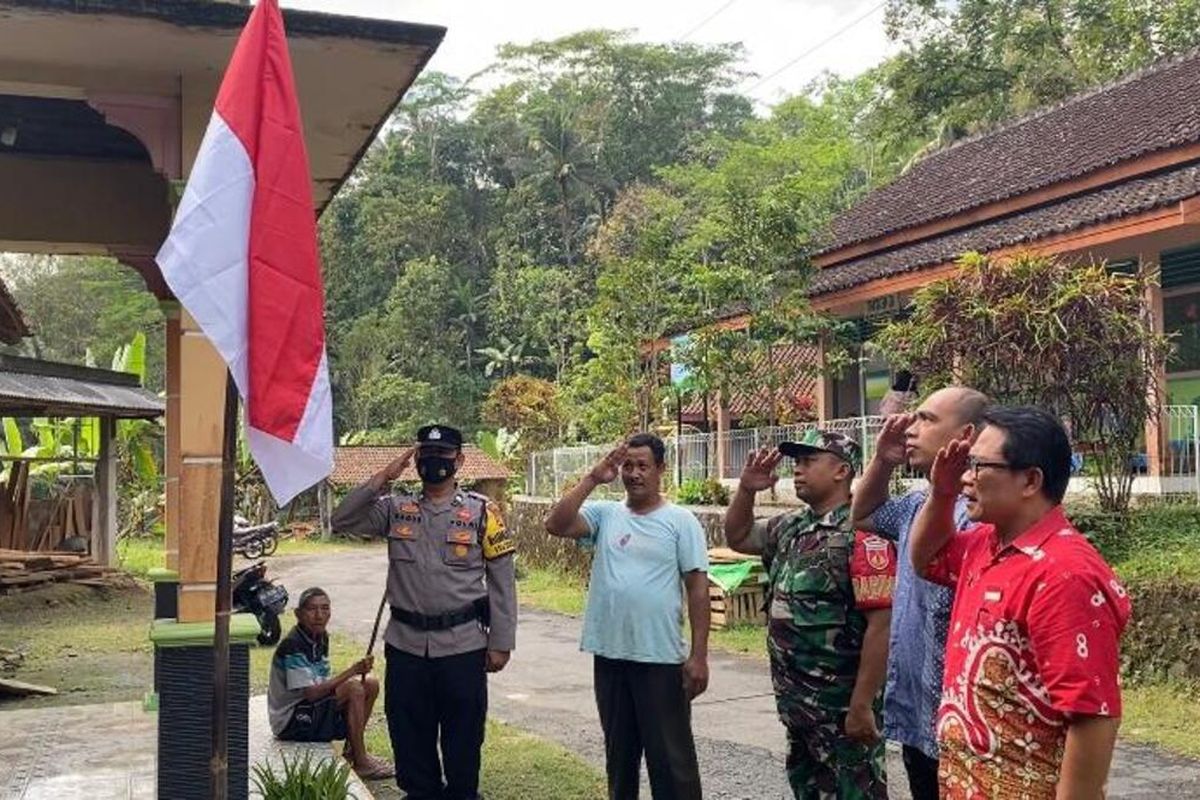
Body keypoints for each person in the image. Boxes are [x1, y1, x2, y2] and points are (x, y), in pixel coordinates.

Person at [910, 406, 1131, 798]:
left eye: (978, 465)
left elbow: (1092, 715)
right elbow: (926, 559)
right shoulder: (986, 543)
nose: (965, 477)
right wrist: (941, 493)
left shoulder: (1065, 574)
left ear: (1030, 480)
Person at [331, 424, 517, 800]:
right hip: (407, 647)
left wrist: (501, 642)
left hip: (462, 646)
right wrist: (384, 476)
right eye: (426, 457)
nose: (434, 464)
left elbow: (502, 582)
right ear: (416, 461)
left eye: (443, 457)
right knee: (410, 736)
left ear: (459, 461)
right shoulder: (396, 509)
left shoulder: (483, 513)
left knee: (463, 738)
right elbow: (342, 519)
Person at [724, 429, 896, 800]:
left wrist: (862, 704)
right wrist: (747, 490)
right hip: (798, 705)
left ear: (842, 471)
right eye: (796, 463)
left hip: (841, 707)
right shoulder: (790, 526)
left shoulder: (864, 532)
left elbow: (881, 624)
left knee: (855, 791)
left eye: (808, 461)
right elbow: (737, 537)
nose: (797, 471)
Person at [544, 432, 709, 800]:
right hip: (611, 655)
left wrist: (699, 656)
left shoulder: (681, 521)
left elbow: (698, 589)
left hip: (660, 659)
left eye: (643, 466)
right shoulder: (606, 515)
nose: (634, 474)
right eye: (627, 466)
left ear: (661, 469)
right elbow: (555, 525)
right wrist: (592, 478)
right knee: (620, 760)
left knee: (672, 764)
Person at [849, 386, 989, 800]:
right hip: (918, 714)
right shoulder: (916, 504)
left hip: (963, 723)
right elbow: (865, 515)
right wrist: (882, 461)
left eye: (926, 419)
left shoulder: (981, 512)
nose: (910, 427)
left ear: (965, 435)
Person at [267, 587, 394, 780]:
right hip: (291, 721)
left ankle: (353, 752)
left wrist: (356, 673)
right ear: (298, 614)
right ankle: (362, 762)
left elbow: (322, 683)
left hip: (308, 709)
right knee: (354, 688)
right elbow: (311, 694)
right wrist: (352, 671)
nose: (319, 615)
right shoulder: (293, 645)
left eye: (325, 608)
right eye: (312, 609)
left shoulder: (319, 637)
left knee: (370, 683)